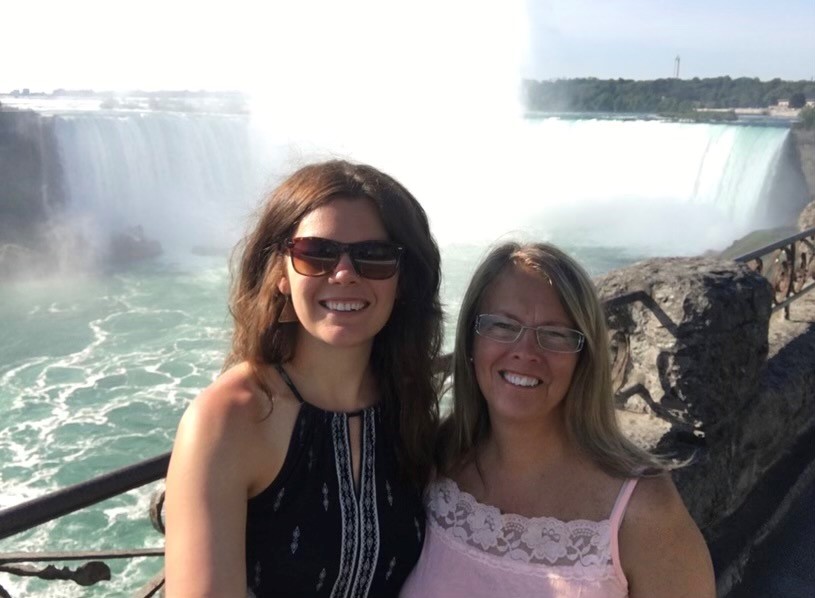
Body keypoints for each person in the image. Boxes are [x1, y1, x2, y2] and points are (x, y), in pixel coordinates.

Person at [164, 160, 443, 597]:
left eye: (374, 256)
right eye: (316, 253)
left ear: (402, 280)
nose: (345, 272)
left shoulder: (405, 403)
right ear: (280, 273)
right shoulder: (228, 420)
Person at [401, 242, 715, 598]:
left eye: (555, 335)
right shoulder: (437, 462)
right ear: (471, 343)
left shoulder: (641, 510)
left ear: (585, 359)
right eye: (503, 325)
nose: (525, 351)